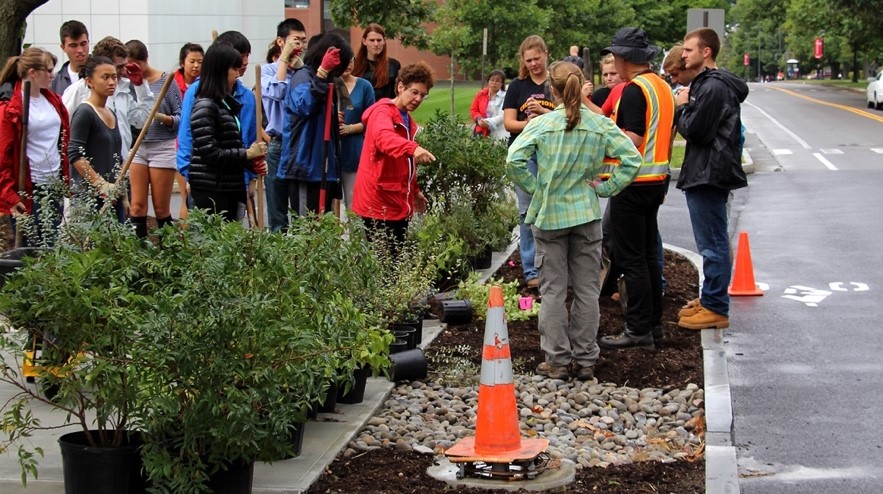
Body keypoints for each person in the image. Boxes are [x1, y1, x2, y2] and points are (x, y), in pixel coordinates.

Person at [506, 61, 641, 380]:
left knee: (552, 291)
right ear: (582, 86)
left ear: (551, 91)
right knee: (586, 290)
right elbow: (632, 159)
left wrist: (536, 187)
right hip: (585, 214)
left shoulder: (542, 124)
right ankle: (585, 360)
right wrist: (606, 187)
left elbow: (514, 160)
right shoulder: (599, 125)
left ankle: (556, 360)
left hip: (550, 216)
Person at [595, 27, 675, 350]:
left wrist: (601, 140)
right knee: (648, 257)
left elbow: (634, 140)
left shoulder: (633, 90)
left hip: (632, 182)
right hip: (655, 181)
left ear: (625, 58)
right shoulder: (662, 87)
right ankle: (653, 325)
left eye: (615, 55)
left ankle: (638, 329)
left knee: (633, 259)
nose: (613, 59)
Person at [675, 27, 749, 330]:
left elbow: (697, 130)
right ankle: (710, 299)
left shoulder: (713, 87)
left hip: (709, 172)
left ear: (706, 52)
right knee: (711, 241)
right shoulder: (708, 85)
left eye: (689, 50)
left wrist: (682, 108)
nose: (683, 55)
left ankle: (716, 307)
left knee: (713, 243)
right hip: (708, 170)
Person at [352, 62, 435, 250]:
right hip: (378, 203)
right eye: (414, 92)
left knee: (395, 261)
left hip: (396, 201)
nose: (418, 98)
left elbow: (405, 165)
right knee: (385, 265)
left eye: (423, 95)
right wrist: (413, 148)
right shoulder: (382, 113)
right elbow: (384, 138)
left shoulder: (408, 120)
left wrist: (414, 192)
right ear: (400, 87)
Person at [177, 31, 257, 223]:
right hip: (209, 185)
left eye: (246, 57)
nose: (243, 65)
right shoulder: (199, 97)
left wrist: (251, 172)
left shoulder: (243, 97)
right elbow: (192, 141)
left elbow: (245, 139)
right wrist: (189, 175)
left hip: (233, 182)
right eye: (237, 60)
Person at [0, 47, 71, 245]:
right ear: (32, 73)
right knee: (29, 249)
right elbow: (2, 157)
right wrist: (11, 196)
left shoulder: (53, 101)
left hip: (53, 185)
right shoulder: (10, 108)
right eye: (48, 71)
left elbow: (62, 140)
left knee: (51, 244)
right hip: (29, 189)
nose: (53, 75)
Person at [278, 33, 353, 216]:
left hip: (324, 168)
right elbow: (305, 105)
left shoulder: (326, 81)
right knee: (306, 229)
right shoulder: (303, 77)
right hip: (306, 167)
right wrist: (322, 73)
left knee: (321, 230)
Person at [503, 35, 557, 289]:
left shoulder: (556, 82)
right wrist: (530, 123)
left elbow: (570, 113)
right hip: (525, 154)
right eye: (529, 60)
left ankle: (554, 265)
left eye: (537, 58)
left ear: (546, 54)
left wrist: (545, 114)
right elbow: (509, 123)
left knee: (553, 208)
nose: (534, 63)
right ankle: (531, 269)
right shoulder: (517, 86)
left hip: (553, 153)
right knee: (527, 212)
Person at [124, 39, 182, 237]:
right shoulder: (127, 83)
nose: (131, 69)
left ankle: (169, 251)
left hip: (161, 145)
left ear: (144, 60)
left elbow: (181, 117)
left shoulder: (167, 80)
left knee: (160, 207)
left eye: (135, 64)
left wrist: (164, 119)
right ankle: (137, 250)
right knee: (137, 205)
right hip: (138, 145)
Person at [62, 36, 154, 159]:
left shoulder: (123, 88)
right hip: (91, 167)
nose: (124, 71)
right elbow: (63, 126)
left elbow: (143, 121)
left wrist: (141, 86)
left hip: (120, 168)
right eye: (120, 67)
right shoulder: (79, 90)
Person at [261, 18, 307, 231]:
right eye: (295, 41)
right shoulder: (266, 70)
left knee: (301, 208)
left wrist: (301, 70)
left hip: (300, 144)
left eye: (303, 41)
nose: (300, 46)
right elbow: (277, 91)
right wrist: (284, 60)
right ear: (281, 41)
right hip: (278, 142)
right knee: (276, 206)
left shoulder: (303, 71)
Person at [67, 55, 126, 222]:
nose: (111, 82)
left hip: (113, 196)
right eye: (105, 77)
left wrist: (124, 195)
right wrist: (100, 184)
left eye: (114, 77)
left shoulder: (110, 112)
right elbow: (75, 154)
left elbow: (117, 158)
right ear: (89, 81)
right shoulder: (85, 112)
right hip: (90, 198)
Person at [338, 55, 375, 211]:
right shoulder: (328, 85)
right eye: (344, 60)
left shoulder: (364, 86)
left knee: (354, 203)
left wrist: (351, 128)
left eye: (351, 60)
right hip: (331, 151)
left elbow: (371, 119)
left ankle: (357, 236)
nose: (348, 64)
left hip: (354, 150)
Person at [172, 42, 203, 220]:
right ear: (183, 62)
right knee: (186, 196)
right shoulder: (173, 84)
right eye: (192, 61)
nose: (196, 66)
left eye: (200, 61)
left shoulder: (206, 85)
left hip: (201, 143)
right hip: (180, 144)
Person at [352, 23, 401, 101]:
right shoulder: (353, 64)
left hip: (384, 110)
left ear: (384, 41)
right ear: (364, 41)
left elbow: (397, 95)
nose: (376, 44)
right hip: (361, 110)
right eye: (372, 40)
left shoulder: (393, 65)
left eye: (379, 40)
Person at [51, 20, 89, 95]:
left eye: (83, 44)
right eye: (73, 46)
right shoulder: (54, 82)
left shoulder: (102, 74)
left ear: (88, 42)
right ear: (63, 47)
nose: (80, 50)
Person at [469, 70, 508, 140]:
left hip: (499, 131)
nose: (494, 83)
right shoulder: (480, 94)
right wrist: (479, 119)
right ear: (488, 81)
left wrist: (489, 123)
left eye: (498, 81)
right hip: (482, 130)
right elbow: (473, 110)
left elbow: (502, 115)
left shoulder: (505, 96)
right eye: (492, 80)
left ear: (502, 83)